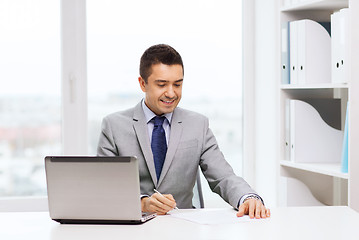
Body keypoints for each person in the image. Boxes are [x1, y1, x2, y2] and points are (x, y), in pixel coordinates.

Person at [97, 44, 270, 219]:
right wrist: (142, 203)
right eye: (162, 84)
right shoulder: (114, 126)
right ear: (143, 84)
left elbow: (223, 176)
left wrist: (247, 198)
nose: (171, 93)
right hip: (133, 226)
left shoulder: (198, 125)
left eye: (177, 84)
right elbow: (103, 188)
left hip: (184, 226)